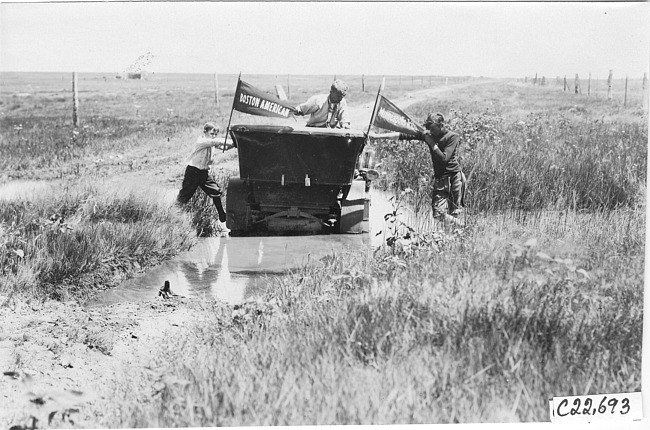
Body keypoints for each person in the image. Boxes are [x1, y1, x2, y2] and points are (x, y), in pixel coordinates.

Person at [369, 112, 466, 224]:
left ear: (441, 125)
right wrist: (378, 136)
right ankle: (461, 225)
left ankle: (459, 230)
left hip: (455, 178)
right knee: (438, 213)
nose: (431, 132)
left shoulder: (452, 137)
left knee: (455, 212)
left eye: (433, 129)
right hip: (440, 179)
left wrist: (432, 144)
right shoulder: (430, 135)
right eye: (429, 129)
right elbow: (403, 136)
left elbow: (444, 158)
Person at [176, 122, 234, 231]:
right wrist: (229, 140)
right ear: (205, 132)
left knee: (216, 191)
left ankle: (222, 215)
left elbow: (223, 147)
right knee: (185, 196)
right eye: (212, 133)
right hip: (193, 172)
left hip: (203, 173)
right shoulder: (202, 141)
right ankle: (173, 213)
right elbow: (215, 141)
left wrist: (235, 143)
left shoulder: (211, 143)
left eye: (215, 134)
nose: (214, 136)